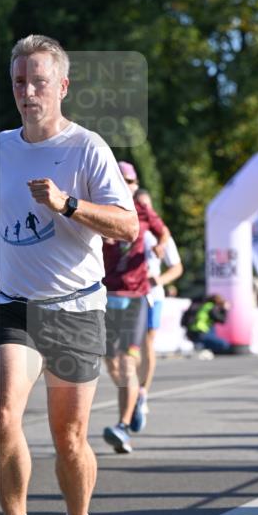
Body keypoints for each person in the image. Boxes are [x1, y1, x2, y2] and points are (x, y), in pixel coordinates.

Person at [0, 34, 138, 515]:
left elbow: (126, 227)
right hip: (13, 304)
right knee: (3, 412)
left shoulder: (87, 148)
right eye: (18, 82)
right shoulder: (1, 147)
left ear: (62, 86)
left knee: (69, 438)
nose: (27, 92)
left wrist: (68, 204)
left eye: (37, 81)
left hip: (76, 307)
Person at [102, 163, 169, 454]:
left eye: (129, 181)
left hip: (136, 295)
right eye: (120, 179)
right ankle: (136, 399)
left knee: (128, 362)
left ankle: (122, 425)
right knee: (112, 363)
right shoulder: (100, 205)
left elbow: (163, 232)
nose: (125, 184)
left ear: (135, 183)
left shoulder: (142, 209)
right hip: (106, 295)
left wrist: (160, 246)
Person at [132, 188, 184, 429]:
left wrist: (159, 280)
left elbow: (177, 267)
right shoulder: (127, 229)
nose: (143, 209)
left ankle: (142, 391)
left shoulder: (161, 235)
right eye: (138, 204)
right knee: (129, 347)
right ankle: (132, 389)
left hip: (153, 294)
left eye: (146, 205)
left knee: (147, 342)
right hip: (128, 294)